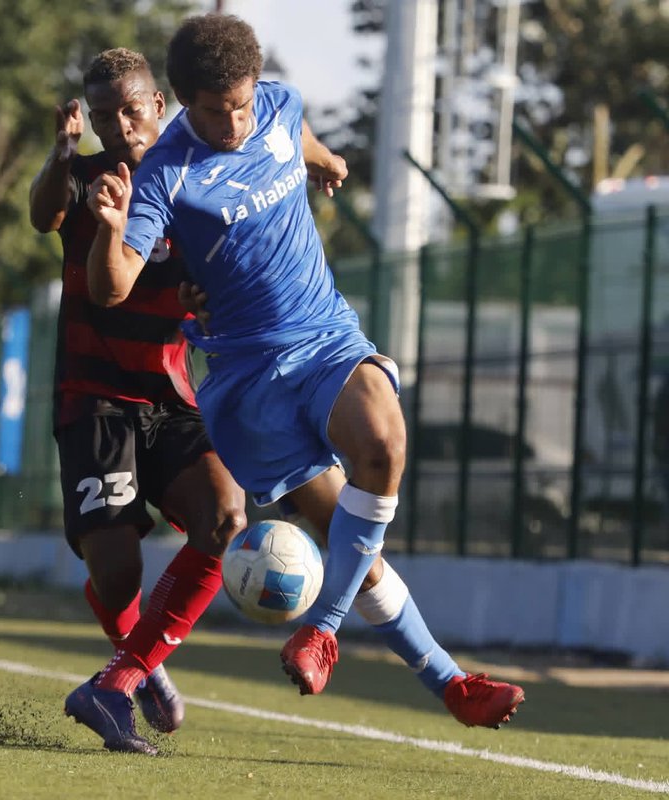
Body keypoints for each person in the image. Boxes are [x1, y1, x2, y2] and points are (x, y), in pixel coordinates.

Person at [80, 15, 524, 748]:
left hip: (323, 338)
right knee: (354, 542)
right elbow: (113, 286)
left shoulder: (279, 107)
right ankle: (446, 680)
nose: (234, 119)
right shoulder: (166, 171)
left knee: (382, 447)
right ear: (184, 103)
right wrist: (107, 227)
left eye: (243, 103)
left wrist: (323, 162)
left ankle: (326, 633)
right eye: (216, 109)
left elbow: (296, 135)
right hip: (248, 381)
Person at [28, 48, 248, 755]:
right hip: (93, 397)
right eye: (101, 116)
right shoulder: (88, 179)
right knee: (118, 569)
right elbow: (41, 216)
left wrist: (204, 306)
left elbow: (216, 300)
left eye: (130, 109)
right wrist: (62, 152)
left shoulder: (201, 188)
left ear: (160, 106)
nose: (119, 125)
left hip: (169, 398)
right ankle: (135, 659)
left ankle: (123, 677)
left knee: (226, 517)